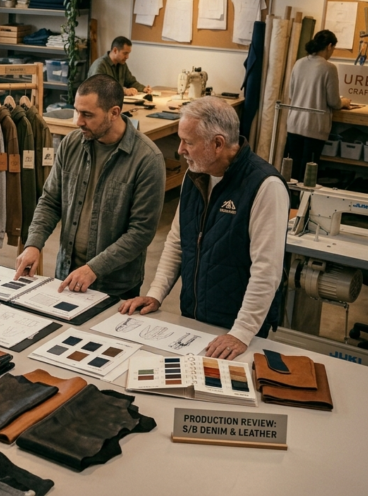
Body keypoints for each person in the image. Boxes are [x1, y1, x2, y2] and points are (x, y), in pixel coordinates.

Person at [120, 97, 289, 360]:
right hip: (194, 319)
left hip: (240, 331)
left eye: (188, 141)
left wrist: (241, 332)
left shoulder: (265, 186)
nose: (179, 150)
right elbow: (177, 241)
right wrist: (155, 295)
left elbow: (266, 270)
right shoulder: (194, 175)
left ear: (218, 143)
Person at [15, 74, 166, 299]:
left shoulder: (147, 159)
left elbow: (140, 233)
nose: (78, 121)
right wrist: (33, 244)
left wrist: (94, 268)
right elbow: (50, 201)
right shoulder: (71, 144)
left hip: (114, 286)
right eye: (77, 111)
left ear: (114, 113)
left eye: (87, 115)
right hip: (66, 274)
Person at [285, 30, 352, 181]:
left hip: (294, 124)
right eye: (333, 49)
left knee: (292, 173)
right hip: (314, 127)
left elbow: (291, 94)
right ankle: (304, 203)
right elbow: (334, 102)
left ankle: (291, 202)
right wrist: (344, 102)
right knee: (307, 176)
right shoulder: (329, 68)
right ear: (329, 46)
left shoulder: (299, 63)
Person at [88, 36, 152, 96]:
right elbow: (99, 88)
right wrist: (124, 91)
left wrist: (144, 89)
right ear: (115, 50)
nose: (127, 57)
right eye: (125, 53)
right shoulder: (100, 65)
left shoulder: (122, 64)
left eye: (128, 53)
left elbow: (131, 82)